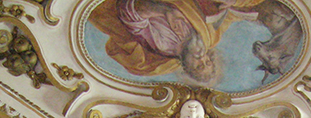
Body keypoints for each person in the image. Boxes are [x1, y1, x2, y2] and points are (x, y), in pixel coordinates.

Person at [88, 0, 222, 84]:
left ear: (186, 66)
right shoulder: (205, 36)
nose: (202, 58)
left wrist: (166, 11)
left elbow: (132, 15)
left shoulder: (164, 44)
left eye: (199, 66)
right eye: (207, 62)